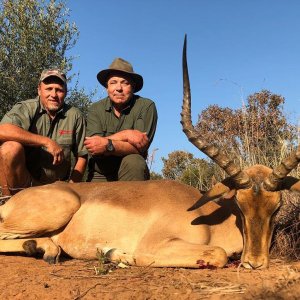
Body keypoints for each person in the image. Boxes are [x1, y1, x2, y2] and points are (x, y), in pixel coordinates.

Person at [0, 68, 88, 196]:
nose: (53, 94)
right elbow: (2, 130)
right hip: (26, 184)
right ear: (39, 90)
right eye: (49, 88)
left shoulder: (75, 115)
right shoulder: (27, 108)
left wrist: (71, 187)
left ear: (66, 92)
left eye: (59, 90)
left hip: (58, 188)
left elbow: (82, 156)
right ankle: (7, 200)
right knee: (10, 148)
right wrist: (46, 142)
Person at [85, 57, 158, 182]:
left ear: (133, 87)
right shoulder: (95, 109)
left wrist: (107, 144)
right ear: (106, 88)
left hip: (132, 171)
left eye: (125, 83)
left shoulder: (146, 106)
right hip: (100, 173)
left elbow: (140, 148)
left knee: (134, 161)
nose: (119, 88)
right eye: (113, 82)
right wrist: (127, 134)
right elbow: (94, 146)